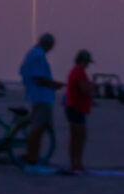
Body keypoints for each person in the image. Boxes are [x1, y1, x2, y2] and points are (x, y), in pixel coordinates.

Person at [20, 34, 60, 172]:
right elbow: (38, 78)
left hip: (35, 96)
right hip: (41, 97)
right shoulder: (38, 56)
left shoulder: (32, 54)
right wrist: (53, 84)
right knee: (38, 129)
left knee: (37, 128)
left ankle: (32, 160)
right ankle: (32, 162)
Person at [62, 48, 95, 175]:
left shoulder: (77, 72)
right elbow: (84, 89)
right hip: (75, 108)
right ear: (83, 61)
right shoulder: (79, 72)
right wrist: (92, 86)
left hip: (76, 108)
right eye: (87, 62)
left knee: (78, 137)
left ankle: (76, 163)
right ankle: (75, 164)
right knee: (78, 137)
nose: (88, 64)